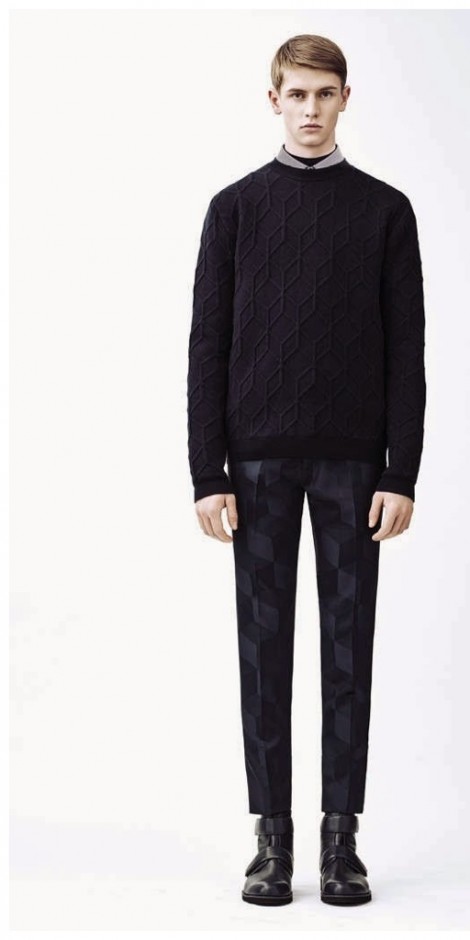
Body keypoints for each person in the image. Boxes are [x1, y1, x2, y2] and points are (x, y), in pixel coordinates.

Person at [186, 32, 426, 907]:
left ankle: (341, 841)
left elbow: (408, 350)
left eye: (326, 93)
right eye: (298, 93)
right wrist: (206, 471)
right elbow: (208, 345)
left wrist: (401, 470)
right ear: (274, 100)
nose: (312, 109)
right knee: (264, 655)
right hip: (254, 464)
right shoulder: (235, 210)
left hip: (355, 466)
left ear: (346, 99)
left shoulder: (386, 211)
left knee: (347, 651)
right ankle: (272, 840)